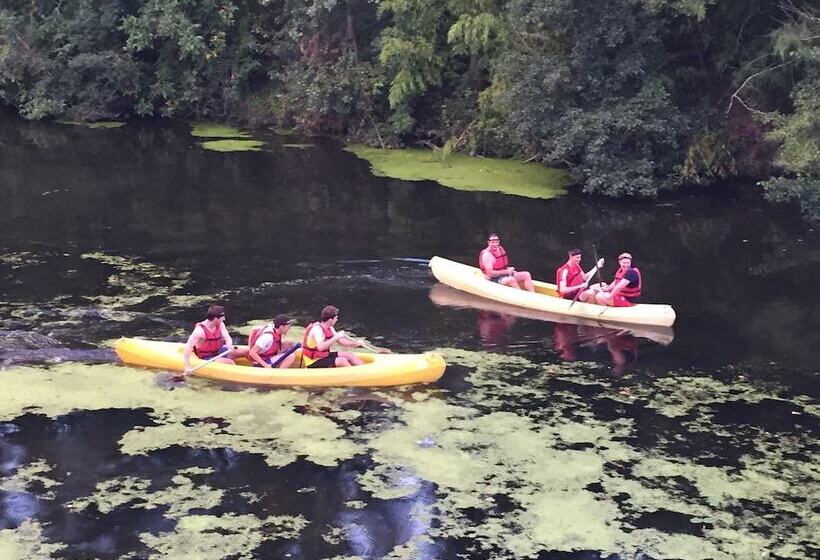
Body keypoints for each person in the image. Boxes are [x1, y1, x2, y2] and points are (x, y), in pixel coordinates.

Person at [182, 305, 249, 375]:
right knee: (230, 362)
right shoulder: (199, 331)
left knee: (247, 351)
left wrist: (229, 346)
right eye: (222, 317)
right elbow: (188, 347)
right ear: (215, 318)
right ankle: (240, 376)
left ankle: (258, 367)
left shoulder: (221, 324)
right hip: (206, 357)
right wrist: (187, 367)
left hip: (219, 351)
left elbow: (227, 337)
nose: (224, 319)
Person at [301, 305, 366, 368]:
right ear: (330, 320)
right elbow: (320, 347)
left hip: (323, 356)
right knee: (342, 361)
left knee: (348, 355)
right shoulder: (317, 329)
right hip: (313, 361)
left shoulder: (330, 328)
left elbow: (341, 342)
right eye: (336, 318)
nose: (336, 320)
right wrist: (336, 337)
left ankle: (366, 372)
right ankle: (355, 377)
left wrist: (356, 344)